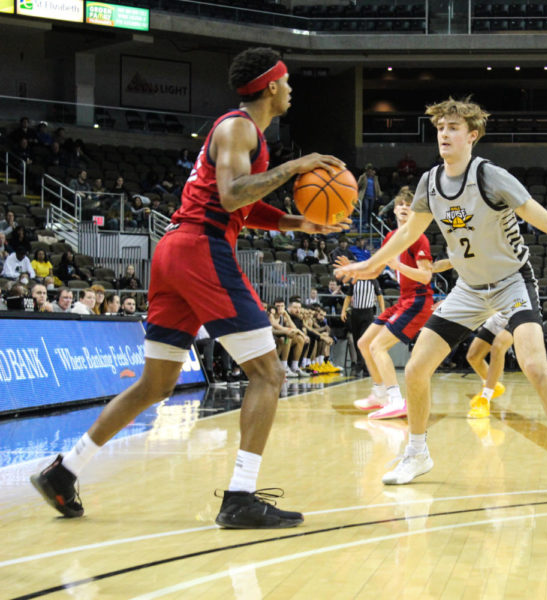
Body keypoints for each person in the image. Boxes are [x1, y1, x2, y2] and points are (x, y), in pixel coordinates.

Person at [29, 47, 348, 530]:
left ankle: (65, 470)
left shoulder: (242, 133)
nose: (291, 89)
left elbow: (243, 202)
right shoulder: (240, 128)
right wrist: (292, 166)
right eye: (286, 82)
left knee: (156, 384)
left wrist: (294, 222)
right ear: (269, 87)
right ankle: (240, 497)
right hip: (202, 248)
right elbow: (231, 195)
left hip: (174, 251)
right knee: (268, 375)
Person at [335, 96, 547, 493]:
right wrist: (371, 264)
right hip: (467, 288)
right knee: (415, 368)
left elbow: (543, 218)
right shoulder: (430, 183)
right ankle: (417, 452)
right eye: (440, 128)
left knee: (534, 365)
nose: (444, 135)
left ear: (472, 136)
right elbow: (409, 233)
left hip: (511, 282)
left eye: (452, 128)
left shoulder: (490, 177)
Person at [349, 191, 439, 420]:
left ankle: (397, 401)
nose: (403, 207)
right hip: (403, 299)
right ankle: (380, 394)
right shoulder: (390, 238)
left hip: (419, 299)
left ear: (414, 210)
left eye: (408, 204)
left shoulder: (419, 237)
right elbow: (376, 269)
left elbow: (426, 277)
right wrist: (353, 270)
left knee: (378, 346)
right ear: (394, 209)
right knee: (364, 342)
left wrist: (397, 267)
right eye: (399, 203)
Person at [465, 312, 513, 419]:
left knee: (498, 347)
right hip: (498, 317)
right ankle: (494, 386)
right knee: (473, 357)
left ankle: (485, 399)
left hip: (518, 316)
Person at [341, 269, 386, 376]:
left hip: (368, 313)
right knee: (357, 340)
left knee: (364, 339)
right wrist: (343, 310)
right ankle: (365, 366)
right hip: (355, 313)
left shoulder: (373, 281)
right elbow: (348, 297)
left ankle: (361, 364)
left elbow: (380, 297)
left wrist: (383, 312)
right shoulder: (354, 280)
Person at [357, 163, 382, 232]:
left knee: (370, 210)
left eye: (371, 170)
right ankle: (364, 222)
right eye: (368, 170)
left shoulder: (375, 178)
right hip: (365, 195)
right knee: (366, 208)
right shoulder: (363, 177)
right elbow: (358, 185)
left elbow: (377, 186)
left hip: (372, 196)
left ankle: (368, 222)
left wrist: (378, 194)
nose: (370, 172)